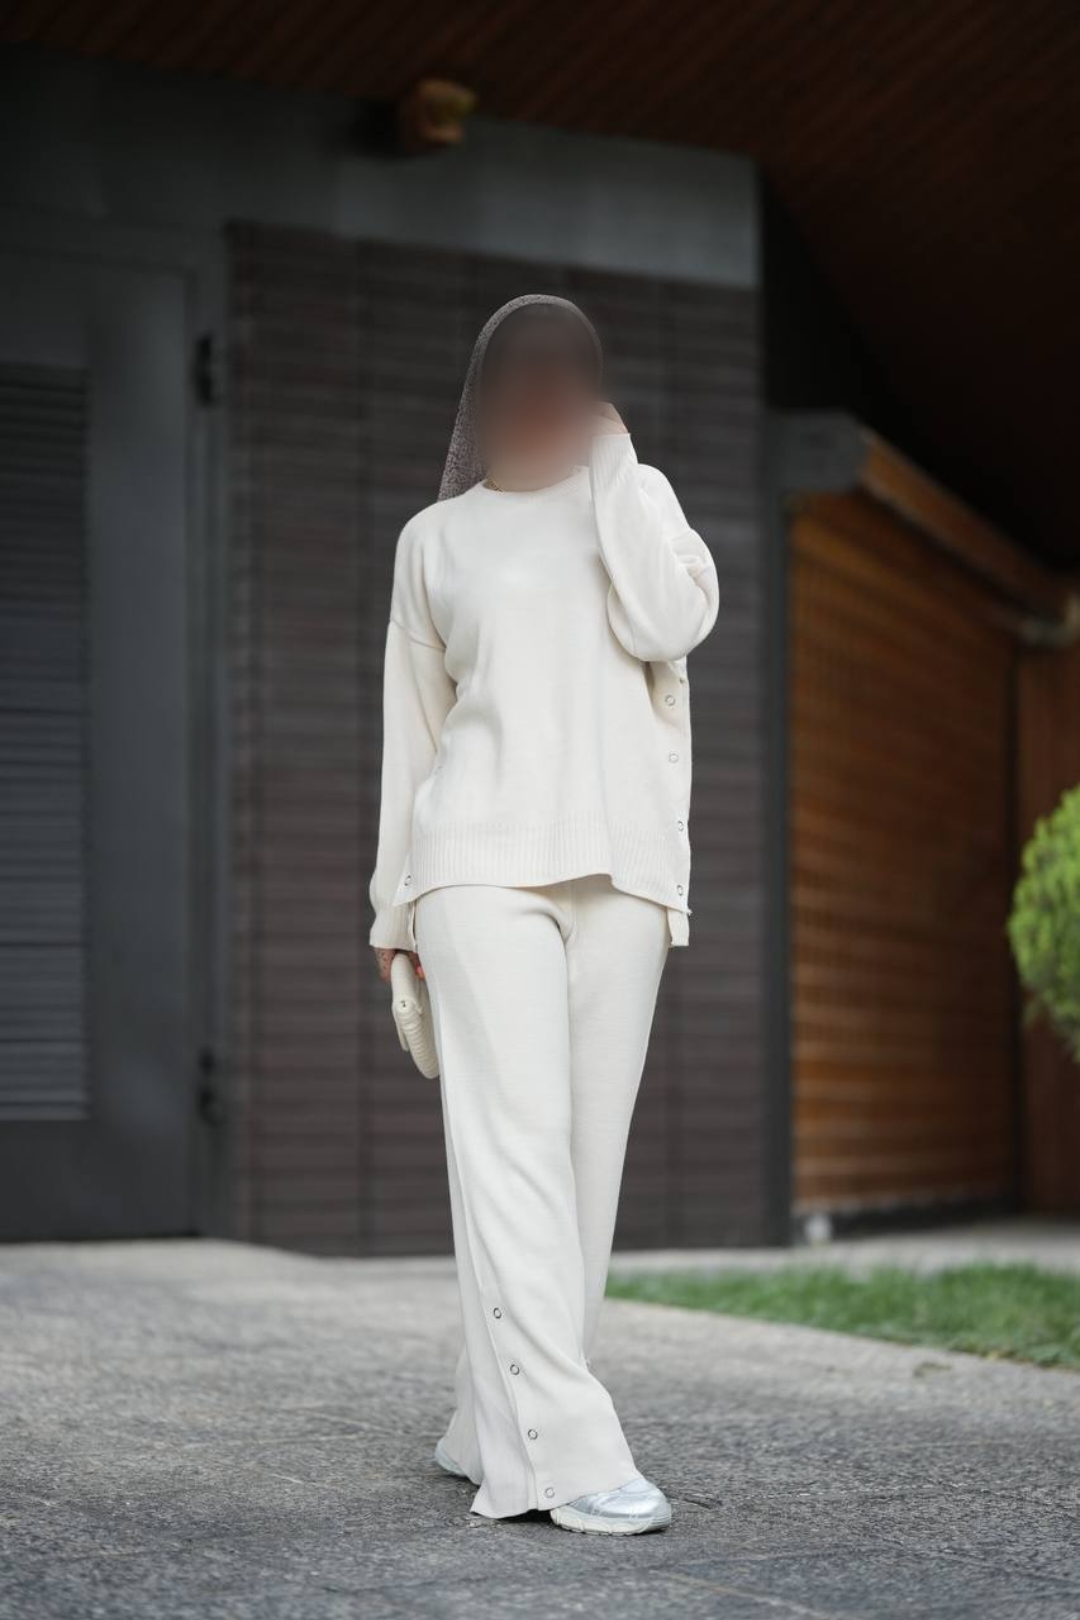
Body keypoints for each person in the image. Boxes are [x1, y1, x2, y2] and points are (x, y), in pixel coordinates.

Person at [369, 294, 719, 1535]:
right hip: (474, 867)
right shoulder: (434, 540)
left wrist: (614, 463)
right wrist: (393, 910)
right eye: (522, 372)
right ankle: (564, 1458)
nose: (543, 393)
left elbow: (672, 620)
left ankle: (491, 1420)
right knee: (512, 1156)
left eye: (568, 372)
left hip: (622, 870)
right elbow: (414, 736)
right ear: (482, 393)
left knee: (582, 1173)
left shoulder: (638, 497)